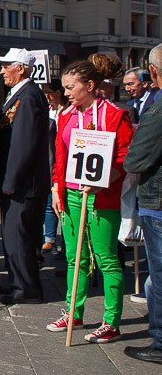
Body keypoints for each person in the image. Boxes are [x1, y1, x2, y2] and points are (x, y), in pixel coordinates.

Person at [46, 59, 133, 343]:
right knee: (75, 258)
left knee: (106, 258)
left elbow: (125, 156)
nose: (66, 92)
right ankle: (74, 311)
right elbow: (61, 155)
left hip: (102, 196)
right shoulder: (66, 116)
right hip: (71, 192)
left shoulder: (114, 115)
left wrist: (105, 180)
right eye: (65, 87)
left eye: (71, 87)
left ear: (90, 86)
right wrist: (57, 188)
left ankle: (111, 321)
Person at [0, 48, 50, 305]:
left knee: (19, 236)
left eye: (7, 66)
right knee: (13, 235)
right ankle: (18, 282)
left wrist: (10, 181)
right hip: (20, 182)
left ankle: (26, 289)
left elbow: (22, 144)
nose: (2, 71)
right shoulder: (20, 94)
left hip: (23, 184)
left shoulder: (27, 97)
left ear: (21, 68)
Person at [124, 44, 162, 363]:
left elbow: (136, 158)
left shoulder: (159, 106)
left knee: (159, 275)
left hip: (158, 201)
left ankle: (160, 341)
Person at [41, 80, 67, 254]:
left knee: (63, 205)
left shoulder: (68, 111)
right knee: (50, 203)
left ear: (58, 93)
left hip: (64, 160)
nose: (46, 96)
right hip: (50, 159)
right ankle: (49, 238)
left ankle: (65, 243)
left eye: (49, 92)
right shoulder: (47, 111)